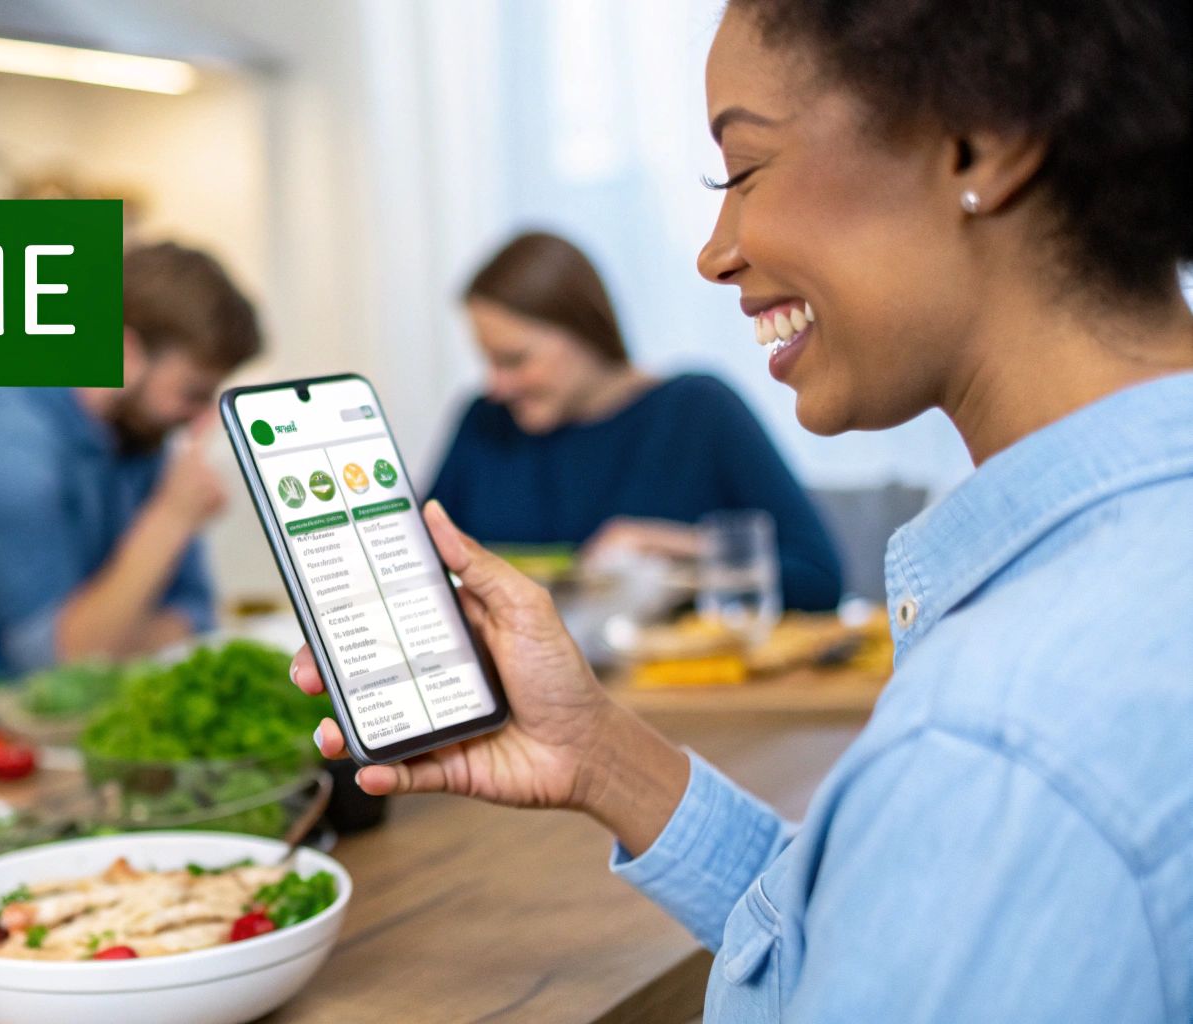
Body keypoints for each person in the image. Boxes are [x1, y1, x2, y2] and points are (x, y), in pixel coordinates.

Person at [293, 1, 1193, 1019]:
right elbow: (862, 936)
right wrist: (598, 753)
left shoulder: (996, 745)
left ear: (978, 142)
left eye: (741, 171)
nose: (714, 252)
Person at [0, 242, 261, 709]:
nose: (203, 420)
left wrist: (111, 636)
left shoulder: (141, 436)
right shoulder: (5, 450)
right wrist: (171, 518)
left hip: (78, 719)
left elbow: (196, 615)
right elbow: (65, 662)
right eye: (192, 393)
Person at [429, 231, 843, 610]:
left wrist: (672, 548)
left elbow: (818, 577)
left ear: (583, 328)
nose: (498, 385)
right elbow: (416, 567)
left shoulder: (698, 411)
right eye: (489, 361)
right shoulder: (483, 423)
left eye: (514, 360)